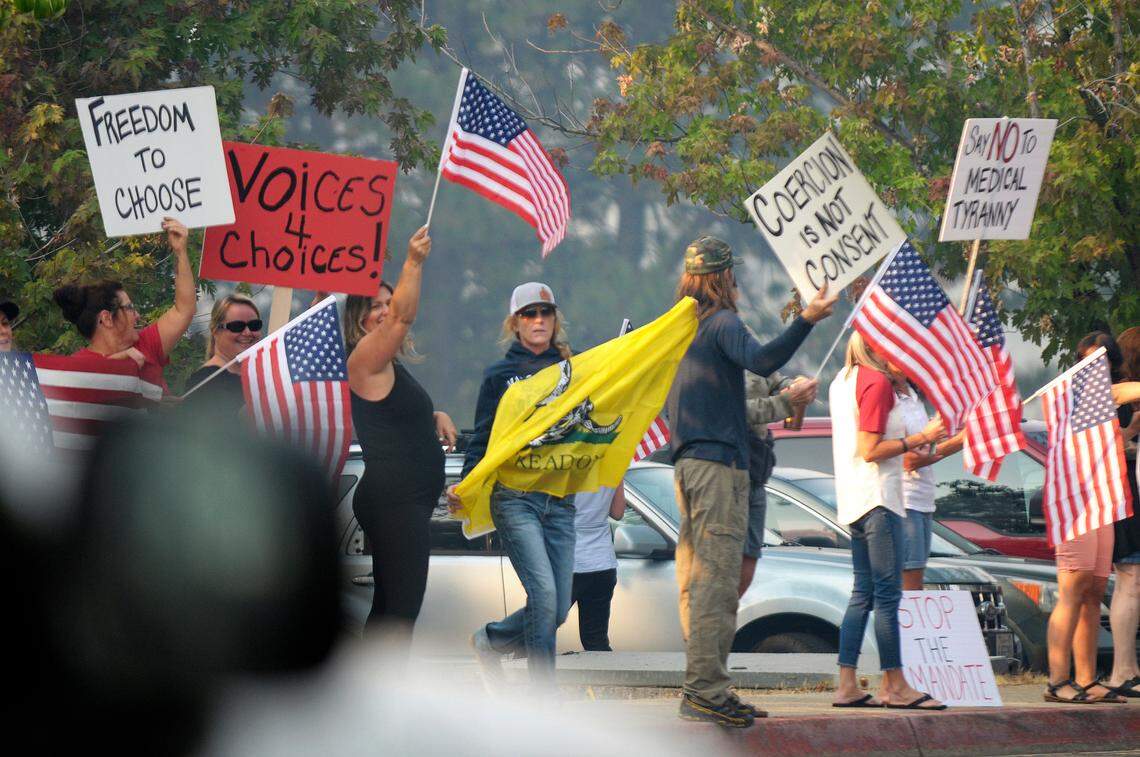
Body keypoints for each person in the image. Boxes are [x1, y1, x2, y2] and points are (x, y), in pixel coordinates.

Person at [665, 236, 836, 727]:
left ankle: (709, 687)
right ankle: (704, 692)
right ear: (726, 278)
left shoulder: (680, 327)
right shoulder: (721, 322)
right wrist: (807, 319)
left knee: (701, 585)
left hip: (688, 466)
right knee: (717, 586)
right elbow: (761, 362)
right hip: (719, 467)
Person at [448, 281, 576, 690]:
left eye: (545, 313)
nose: (538, 321)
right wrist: (464, 485)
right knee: (543, 595)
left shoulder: (576, 370)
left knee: (555, 609)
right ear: (515, 323)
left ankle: (491, 639)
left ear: (555, 320)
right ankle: (542, 696)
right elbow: (483, 437)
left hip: (561, 499)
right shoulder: (499, 375)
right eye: (529, 314)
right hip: (515, 499)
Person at [346, 226, 456, 653]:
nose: (386, 312)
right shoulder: (364, 356)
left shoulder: (385, 363)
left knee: (392, 605)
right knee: (402, 610)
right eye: (376, 306)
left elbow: (390, 416)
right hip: (394, 499)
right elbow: (405, 319)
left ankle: (369, 698)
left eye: (389, 304)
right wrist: (412, 263)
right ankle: (380, 700)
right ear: (359, 317)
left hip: (399, 497)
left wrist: (434, 415)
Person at [829, 332, 947, 710]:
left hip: (853, 499)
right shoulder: (876, 382)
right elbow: (871, 450)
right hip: (880, 498)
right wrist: (921, 438)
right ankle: (894, 684)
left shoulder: (842, 380)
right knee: (886, 595)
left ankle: (847, 683)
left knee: (862, 592)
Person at [52, 217, 195, 392]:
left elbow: (184, 309)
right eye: (129, 308)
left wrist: (180, 252)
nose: (137, 315)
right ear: (106, 318)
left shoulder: (146, 344)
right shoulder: (76, 370)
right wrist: (114, 365)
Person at [739, 370, 818, 596]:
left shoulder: (753, 355)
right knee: (723, 562)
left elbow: (778, 380)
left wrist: (797, 387)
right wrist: (787, 401)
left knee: (750, 555)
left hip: (757, 472)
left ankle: (728, 616)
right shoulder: (711, 351)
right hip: (727, 471)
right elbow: (732, 410)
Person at [1106, 327, 1140, 698]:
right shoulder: (1120, 394)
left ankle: (1128, 667)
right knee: (1130, 578)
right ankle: (1121, 670)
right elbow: (1112, 444)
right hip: (1126, 495)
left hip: (1130, 491)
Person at [182, 294, 262, 413]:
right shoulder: (203, 382)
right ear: (216, 331)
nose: (247, 332)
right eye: (237, 326)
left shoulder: (257, 378)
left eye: (254, 325)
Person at [570, 484, 626, 651]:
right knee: (596, 641)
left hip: (568, 560)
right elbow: (617, 513)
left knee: (538, 630)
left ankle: (498, 641)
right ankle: (604, 677)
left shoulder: (561, 462)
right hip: (602, 561)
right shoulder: (612, 464)